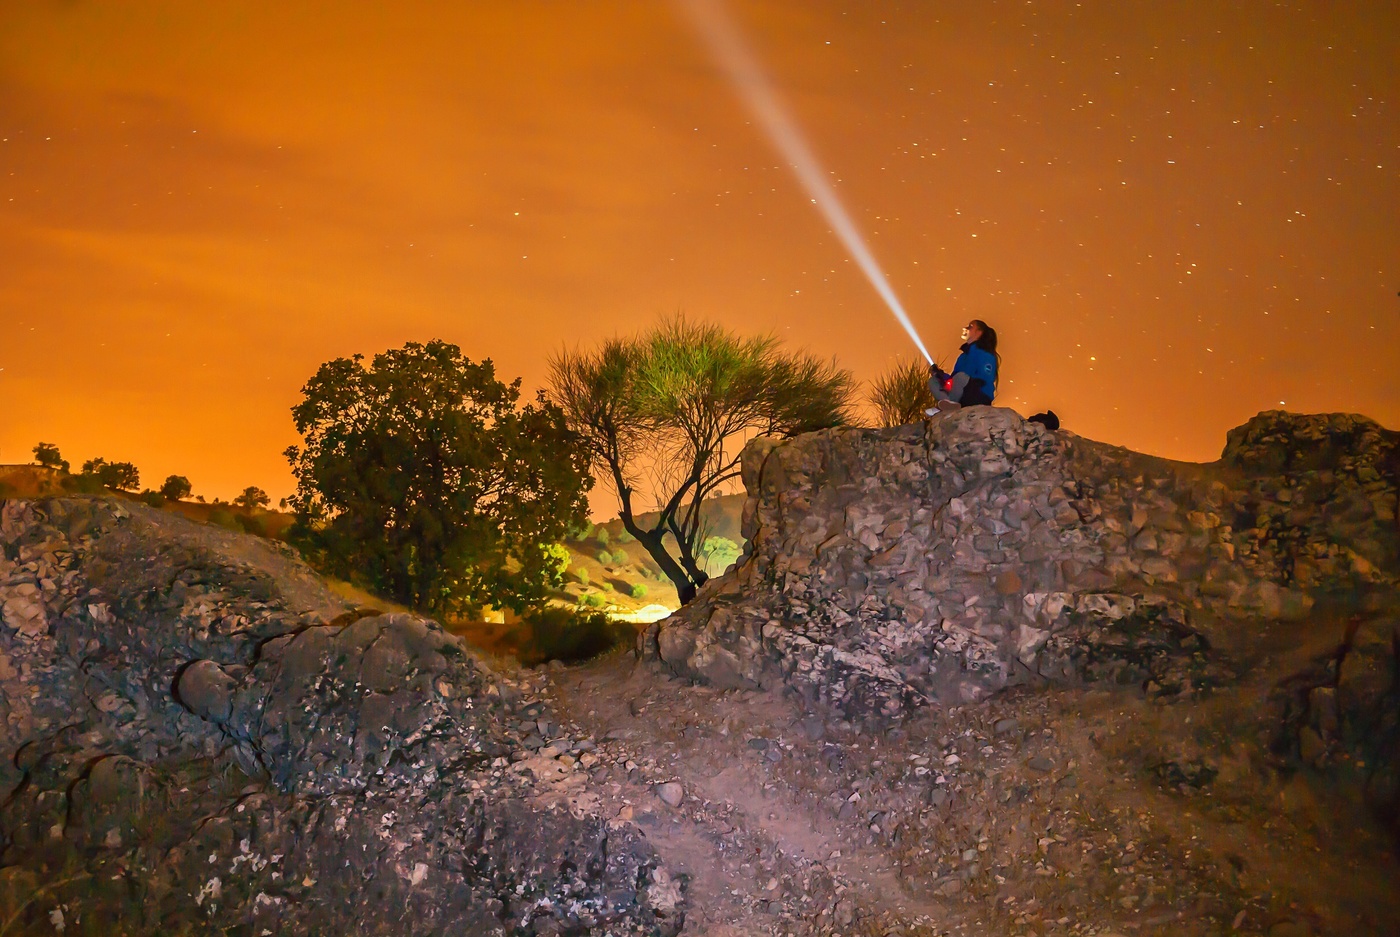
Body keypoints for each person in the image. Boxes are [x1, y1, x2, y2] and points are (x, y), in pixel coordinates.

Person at [926, 319, 1000, 413]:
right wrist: (940, 375)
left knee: (961, 376)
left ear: (979, 332)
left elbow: (986, 377)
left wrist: (969, 380)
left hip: (978, 396)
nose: (966, 328)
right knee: (933, 381)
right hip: (961, 395)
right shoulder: (963, 356)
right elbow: (954, 379)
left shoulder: (985, 354)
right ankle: (949, 405)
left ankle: (948, 405)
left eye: (970, 326)